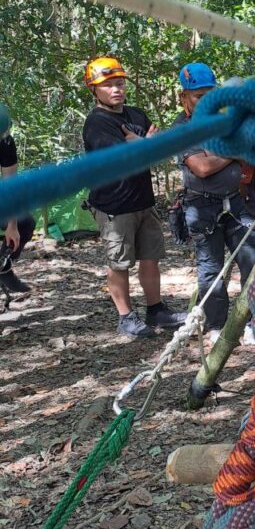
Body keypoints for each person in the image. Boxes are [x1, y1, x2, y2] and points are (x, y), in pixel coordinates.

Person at [82, 56, 186, 338]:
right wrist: (144, 146)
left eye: (119, 84)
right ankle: (125, 316)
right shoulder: (97, 123)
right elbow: (124, 158)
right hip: (114, 205)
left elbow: (160, 147)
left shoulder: (136, 115)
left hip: (143, 200)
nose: (116, 89)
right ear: (94, 89)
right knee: (119, 262)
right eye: (108, 85)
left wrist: (143, 145)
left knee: (151, 257)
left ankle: (157, 310)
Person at [171, 62, 255, 342]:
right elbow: (201, 167)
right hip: (202, 207)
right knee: (211, 269)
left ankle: (254, 321)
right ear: (184, 97)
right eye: (199, 96)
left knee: (253, 259)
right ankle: (216, 325)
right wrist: (232, 154)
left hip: (234, 203)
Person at [0, 119, 36, 295]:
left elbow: (10, 185)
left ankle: (3, 266)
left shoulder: (5, 141)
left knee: (24, 223)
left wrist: (12, 225)